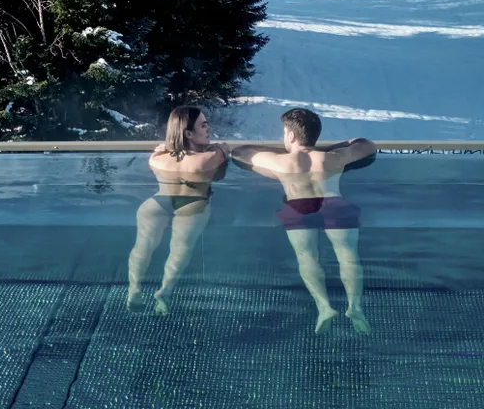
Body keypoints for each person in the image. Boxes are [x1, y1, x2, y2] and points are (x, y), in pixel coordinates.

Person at [233, 108, 376, 335]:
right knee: (348, 254)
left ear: (290, 135)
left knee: (307, 255)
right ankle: (354, 307)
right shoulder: (333, 158)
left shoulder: (280, 161)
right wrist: (329, 148)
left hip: (298, 207)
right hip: (334, 204)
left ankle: (324, 307)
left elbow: (240, 152)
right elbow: (366, 145)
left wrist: (285, 151)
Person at [128, 106, 228, 315]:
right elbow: (223, 152)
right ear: (189, 133)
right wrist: (220, 148)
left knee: (142, 248)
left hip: (157, 203)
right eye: (203, 124)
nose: (208, 128)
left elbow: (161, 150)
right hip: (192, 206)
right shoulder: (207, 159)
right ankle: (164, 292)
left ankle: (134, 289)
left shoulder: (157, 158)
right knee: (180, 250)